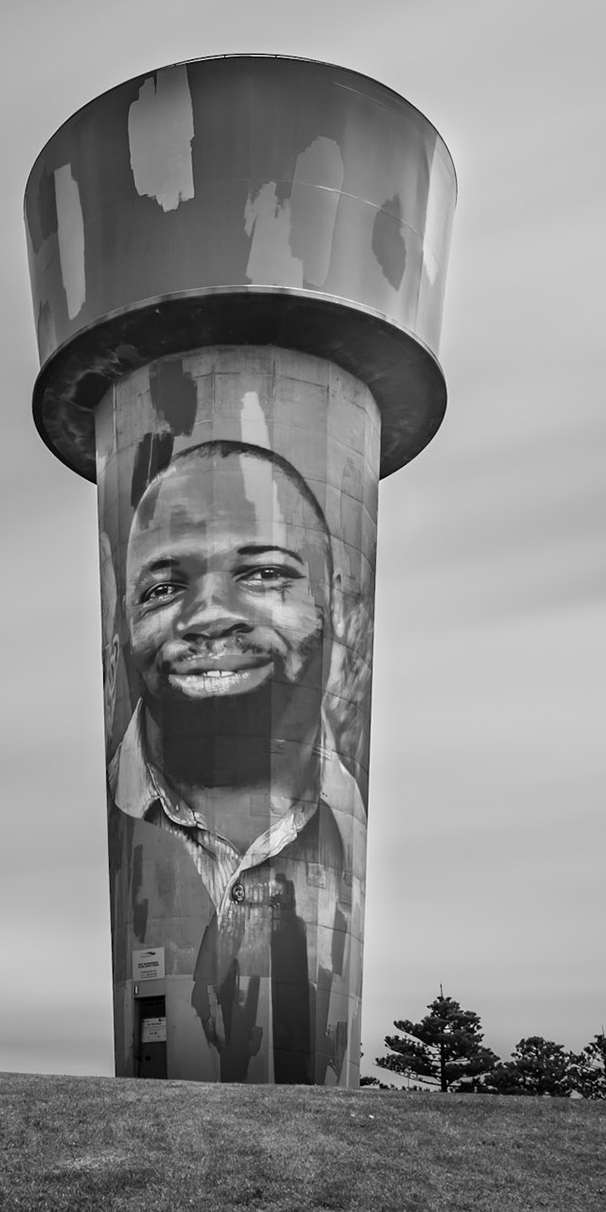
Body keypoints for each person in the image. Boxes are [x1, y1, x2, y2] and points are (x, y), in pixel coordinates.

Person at [107, 439, 368, 1085]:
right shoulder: (120, 814)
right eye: (164, 587)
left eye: (263, 574)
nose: (209, 617)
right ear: (122, 627)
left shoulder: (347, 815)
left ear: (342, 607)